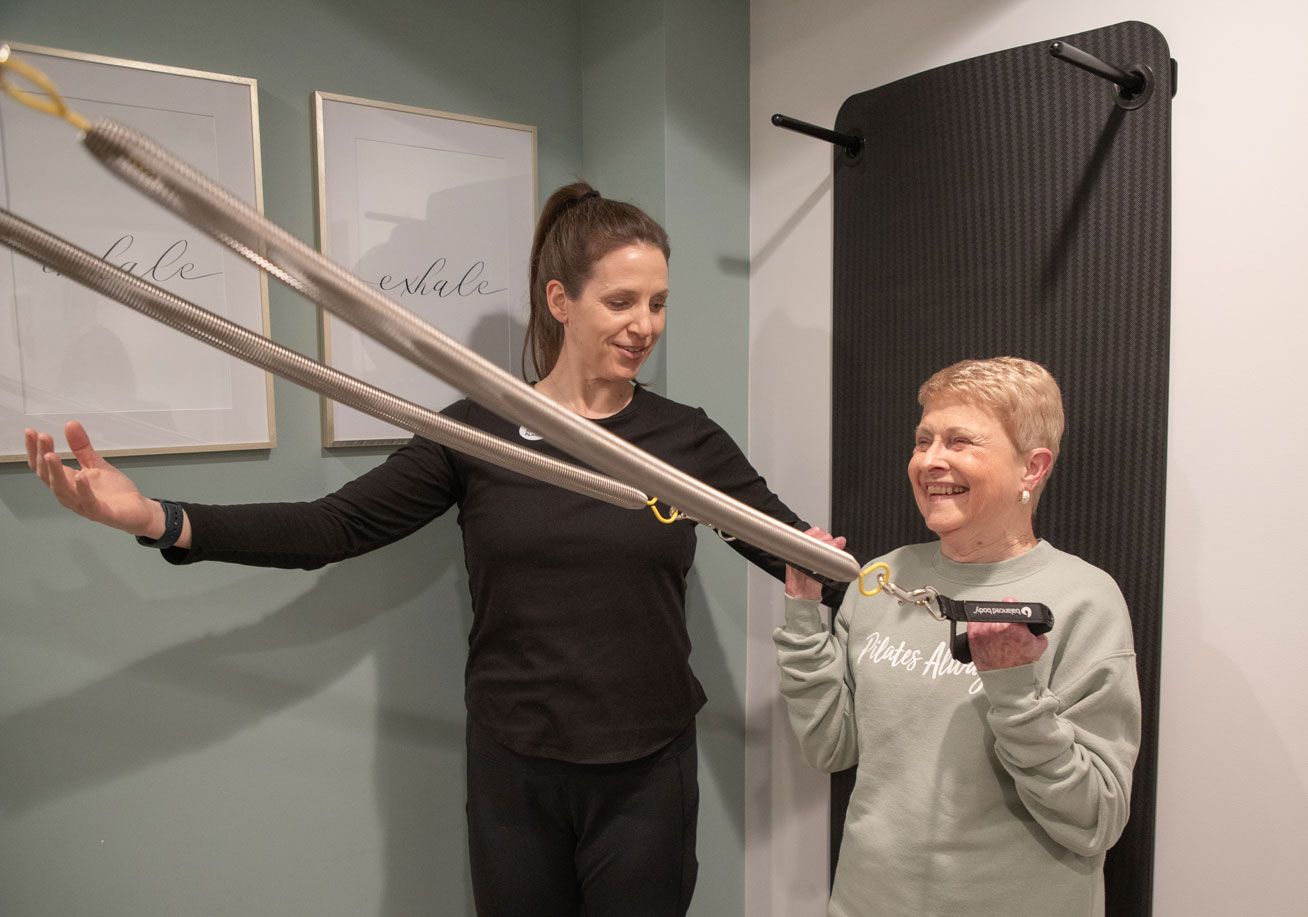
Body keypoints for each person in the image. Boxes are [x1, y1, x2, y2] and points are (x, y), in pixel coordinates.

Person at [25, 182, 822, 917]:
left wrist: (911, 581)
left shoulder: (682, 440)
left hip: (646, 770)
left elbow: (790, 549)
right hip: (515, 768)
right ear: (561, 300)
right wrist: (160, 517)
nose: (644, 324)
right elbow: (332, 527)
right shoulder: (473, 432)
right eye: (620, 301)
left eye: (657, 303)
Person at [774, 357, 1141, 917]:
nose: (931, 460)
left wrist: (1013, 690)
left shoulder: (1085, 599)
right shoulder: (883, 578)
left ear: (1032, 468)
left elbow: (1095, 819)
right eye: (923, 441)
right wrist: (803, 611)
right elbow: (831, 745)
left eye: (960, 441)